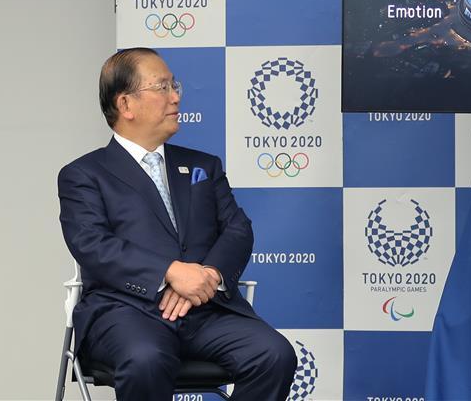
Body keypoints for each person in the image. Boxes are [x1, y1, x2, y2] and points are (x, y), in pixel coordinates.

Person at [58, 48, 296, 400]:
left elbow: (237, 229)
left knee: (274, 354)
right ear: (126, 105)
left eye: (175, 86)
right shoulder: (84, 175)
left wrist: (209, 275)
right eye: (163, 87)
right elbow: (93, 244)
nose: (176, 97)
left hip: (206, 312)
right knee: (145, 359)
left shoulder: (204, 166)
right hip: (126, 313)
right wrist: (169, 272)